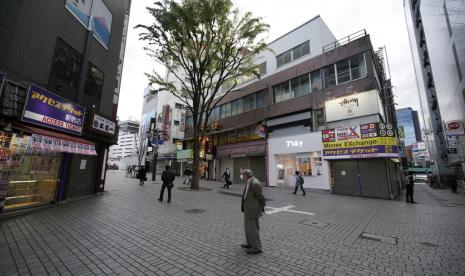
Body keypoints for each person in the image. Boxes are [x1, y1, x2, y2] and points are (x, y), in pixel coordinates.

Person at [240, 169, 266, 254]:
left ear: (246, 175)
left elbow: (261, 197)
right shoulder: (249, 182)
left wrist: (262, 205)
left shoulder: (255, 183)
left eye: (242, 175)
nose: (241, 176)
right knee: (248, 228)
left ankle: (257, 247)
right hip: (248, 209)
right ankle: (250, 243)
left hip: (253, 210)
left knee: (253, 229)